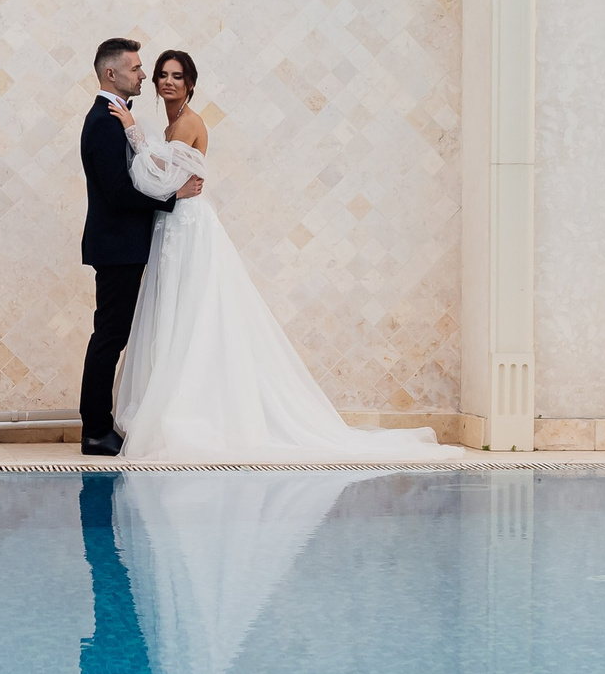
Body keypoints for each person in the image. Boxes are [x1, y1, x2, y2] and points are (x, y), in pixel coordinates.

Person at [104, 48, 469, 462]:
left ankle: (193, 410)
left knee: (193, 312)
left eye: (177, 76)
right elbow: (165, 183)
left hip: (189, 228)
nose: (168, 81)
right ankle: (169, 400)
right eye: (162, 75)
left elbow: (159, 178)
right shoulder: (169, 125)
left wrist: (134, 134)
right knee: (169, 315)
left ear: (190, 84)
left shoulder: (189, 123)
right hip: (170, 227)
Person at [76, 37, 199, 456]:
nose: (144, 75)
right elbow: (116, 193)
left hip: (124, 245)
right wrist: (173, 196)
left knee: (114, 335)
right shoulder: (104, 121)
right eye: (137, 68)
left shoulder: (117, 118)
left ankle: (100, 424)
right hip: (117, 246)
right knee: (109, 336)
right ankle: (94, 429)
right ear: (111, 73)